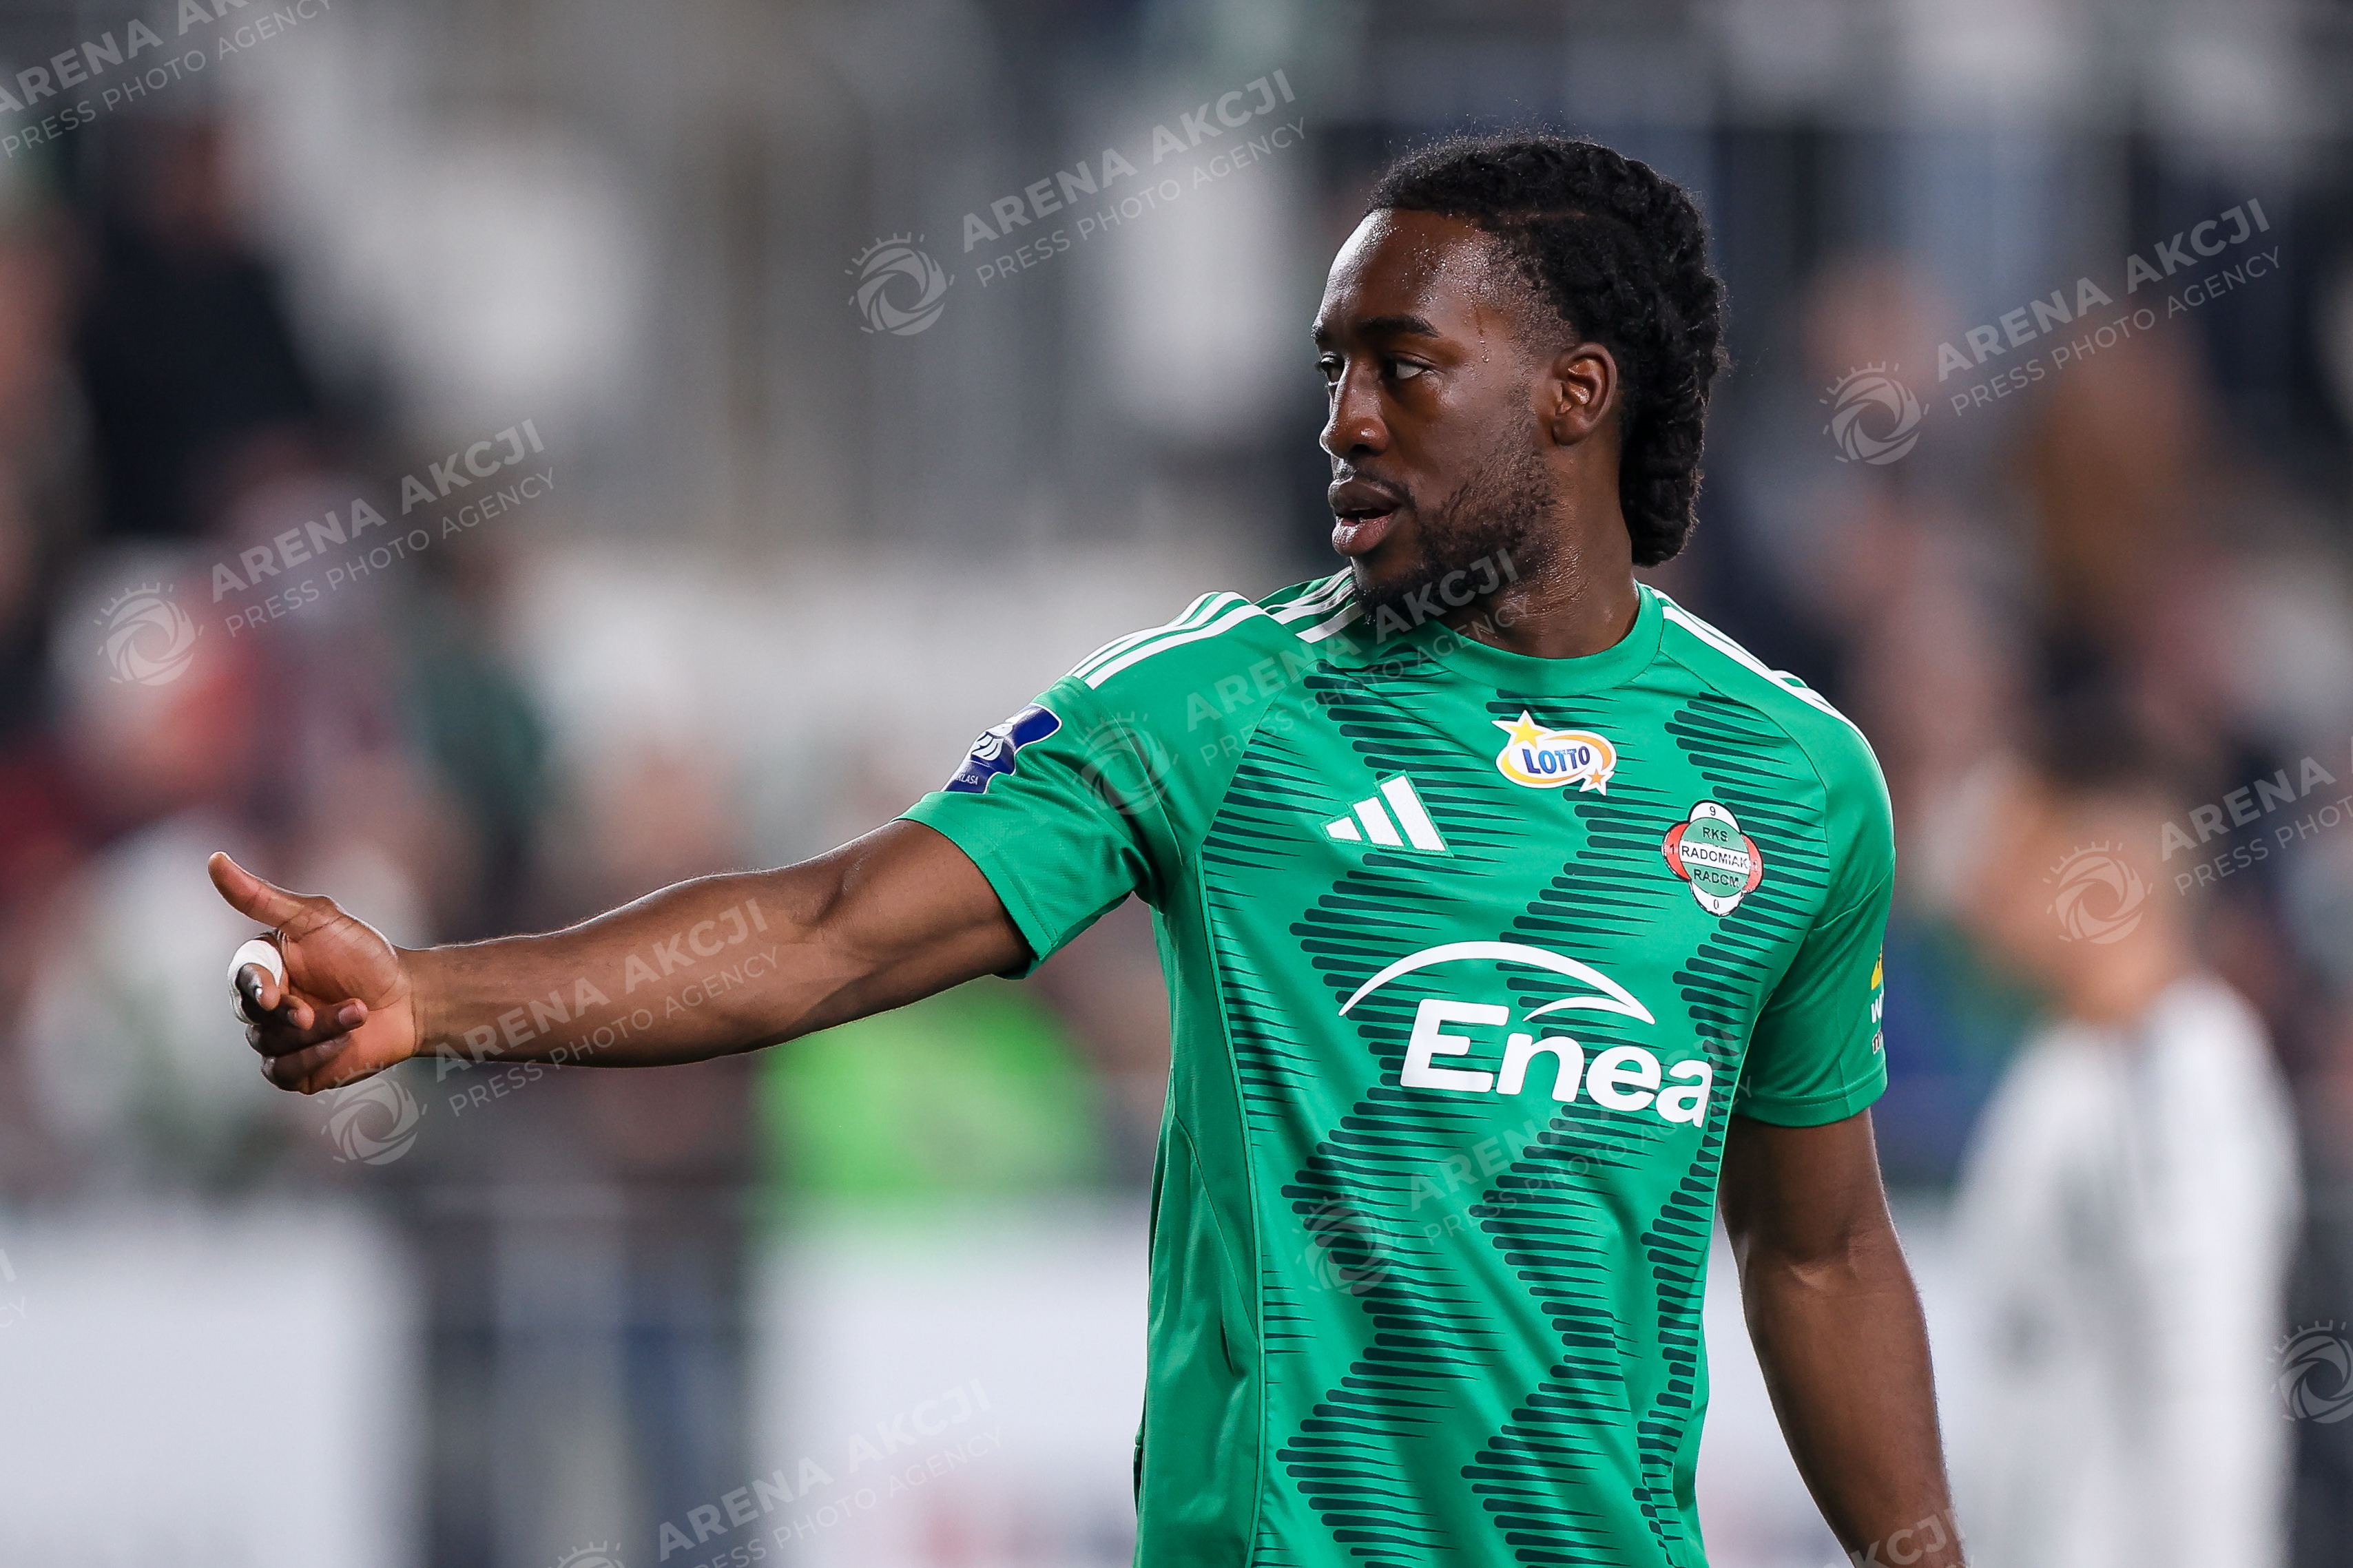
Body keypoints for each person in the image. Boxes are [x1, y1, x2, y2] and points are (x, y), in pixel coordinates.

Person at [214, 135, 1962, 1567]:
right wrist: (433, 996)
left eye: (1404, 365)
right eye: (1333, 367)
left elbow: (1818, 1250)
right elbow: (829, 927)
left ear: (1578, 394)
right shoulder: (1224, 708)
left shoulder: (1794, 782)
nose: (1346, 418)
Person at [1958, 719, 2299, 1568]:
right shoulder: (2063, 1061)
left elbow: (2207, 1378)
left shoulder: (2180, 1070)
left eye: (2019, 853)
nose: (1984, 886)